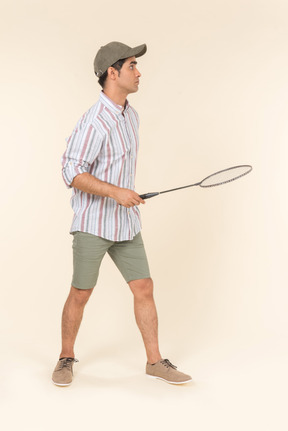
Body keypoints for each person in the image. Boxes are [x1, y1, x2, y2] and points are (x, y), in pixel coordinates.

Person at [52, 41, 192, 386]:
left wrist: (123, 195)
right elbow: (71, 171)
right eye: (132, 66)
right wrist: (116, 192)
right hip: (93, 223)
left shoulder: (132, 116)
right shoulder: (95, 121)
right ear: (112, 73)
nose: (138, 72)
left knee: (144, 287)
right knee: (81, 293)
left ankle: (155, 362)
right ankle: (65, 357)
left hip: (125, 223)